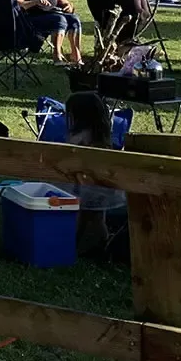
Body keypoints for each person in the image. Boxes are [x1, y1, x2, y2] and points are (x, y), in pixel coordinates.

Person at [63, 91, 128, 257]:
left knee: (86, 215)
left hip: (92, 185)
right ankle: (102, 243)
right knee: (95, 217)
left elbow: (73, 149)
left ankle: (76, 245)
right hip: (91, 183)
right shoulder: (101, 131)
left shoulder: (86, 135)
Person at [13, 0, 84, 65]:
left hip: (53, 16)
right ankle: (57, 55)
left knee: (74, 19)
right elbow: (17, 4)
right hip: (32, 19)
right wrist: (36, 2)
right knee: (60, 20)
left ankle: (76, 55)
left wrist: (69, 6)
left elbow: (66, 3)